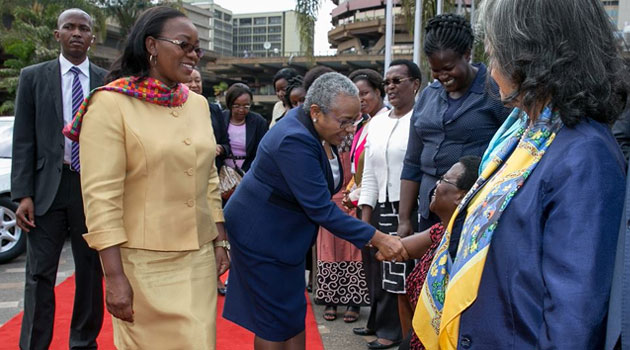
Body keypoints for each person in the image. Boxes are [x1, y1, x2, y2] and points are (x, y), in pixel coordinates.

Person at [413, 1, 628, 349]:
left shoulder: (585, 155)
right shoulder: (520, 135)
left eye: (497, 53)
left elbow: (572, 322)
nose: (491, 68)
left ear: (532, 57)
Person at [63, 7, 229, 348]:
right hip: (142, 264)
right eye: (184, 45)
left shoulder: (197, 105)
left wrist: (220, 239)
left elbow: (208, 178)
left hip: (198, 260)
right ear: (152, 45)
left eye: (197, 48)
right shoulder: (110, 104)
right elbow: (100, 198)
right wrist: (114, 276)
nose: (193, 55)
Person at [222, 72, 409, 350]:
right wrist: (379, 238)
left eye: (354, 120)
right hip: (261, 234)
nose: (349, 129)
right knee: (273, 320)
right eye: (344, 121)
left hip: (286, 235)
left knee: (293, 312)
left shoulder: (316, 128)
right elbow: (321, 208)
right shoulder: (293, 139)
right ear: (315, 112)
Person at [11, 8, 105, 349]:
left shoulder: (106, 81)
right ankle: (34, 344)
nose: (76, 33)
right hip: (46, 190)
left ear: (93, 37)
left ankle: (83, 342)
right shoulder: (33, 77)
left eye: (83, 28)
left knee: (91, 272)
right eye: (69, 27)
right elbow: (23, 138)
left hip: (90, 189)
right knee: (38, 275)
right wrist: (23, 194)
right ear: (58, 35)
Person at [398, 14, 510, 240]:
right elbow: (412, 163)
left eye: (448, 68)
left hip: (476, 212)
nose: (442, 76)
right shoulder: (428, 97)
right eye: (435, 70)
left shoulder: (496, 91)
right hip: (430, 213)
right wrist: (404, 219)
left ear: (467, 54)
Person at [378, 156, 480, 350]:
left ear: (462, 195)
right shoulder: (440, 232)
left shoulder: (469, 249)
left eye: (444, 180)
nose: (435, 184)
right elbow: (395, 248)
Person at [355, 59, 421, 350]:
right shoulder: (378, 122)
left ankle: (398, 331)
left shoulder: (420, 118)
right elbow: (369, 170)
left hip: (408, 205)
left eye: (398, 81)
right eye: (388, 82)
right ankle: (382, 323)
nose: (391, 86)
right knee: (379, 269)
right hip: (380, 203)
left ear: (415, 84)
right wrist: (365, 215)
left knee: (400, 271)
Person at [185, 68, 229, 296]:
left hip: (211, 176)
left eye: (198, 80)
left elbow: (224, 141)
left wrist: (219, 148)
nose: (194, 84)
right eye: (190, 80)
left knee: (212, 224)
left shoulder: (209, 109)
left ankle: (216, 279)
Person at [219, 83, 268, 173]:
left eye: (246, 106)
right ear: (229, 104)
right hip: (222, 172)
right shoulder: (220, 118)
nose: (241, 110)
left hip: (249, 171)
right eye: (236, 106)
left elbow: (261, 152)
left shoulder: (259, 122)